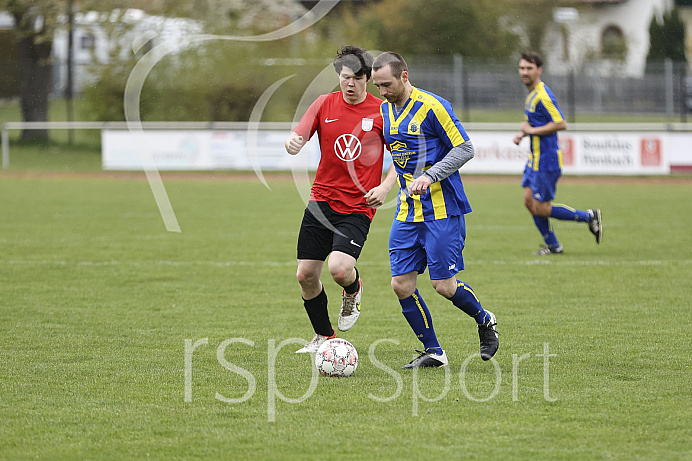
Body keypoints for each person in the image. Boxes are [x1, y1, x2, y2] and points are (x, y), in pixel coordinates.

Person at [371, 52, 498, 368]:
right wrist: (387, 187)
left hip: (443, 210)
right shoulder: (385, 111)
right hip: (407, 212)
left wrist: (430, 175)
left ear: (404, 76)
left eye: (386, 84)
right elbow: (400, 157)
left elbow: (465, 148)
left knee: (443, 286)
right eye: (377, 86)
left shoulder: (434, 106)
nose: (382, 92)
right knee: (401, 284)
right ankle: (434, 352)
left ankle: (484, 319)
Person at [286, 45, 396, 354]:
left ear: (368, 79)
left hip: (358, 206)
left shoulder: (382, 111)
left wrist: (385, 187)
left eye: (357, 78)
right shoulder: (324, 104)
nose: (350, 84)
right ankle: (324, 337)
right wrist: (291, 143)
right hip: (321, 200)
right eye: (345, 77)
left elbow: (403, 160)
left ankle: (353, 288)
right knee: (305, 275)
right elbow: (297, 136)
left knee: (339, 269)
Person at [513, 51, 602, 255]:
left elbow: (561, 123)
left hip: (547, 160)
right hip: (534, 159)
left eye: (529, 68)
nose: (524, 72)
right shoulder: (532, 94)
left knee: (541, 207)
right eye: (522, 68)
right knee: (529, 202)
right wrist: (523, 134)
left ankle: (589, 217)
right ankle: (554, 246)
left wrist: (531, 131)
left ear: (539, 70)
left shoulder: (543, 95)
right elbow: (537, 124)